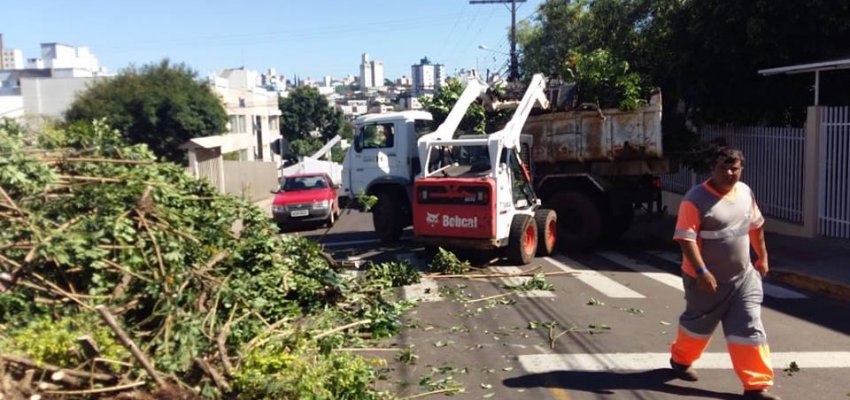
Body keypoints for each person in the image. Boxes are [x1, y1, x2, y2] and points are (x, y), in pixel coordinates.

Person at [669, 147, 780, 400]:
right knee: (698, 326)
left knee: (749, 327)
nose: (730, 173)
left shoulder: (745, 192)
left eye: (735, 168)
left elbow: (756, 226)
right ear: (712, 169)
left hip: (743, 278)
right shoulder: (694, 200)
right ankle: (681, 359)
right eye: (723, 168)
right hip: (706, 280)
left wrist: (762, 256)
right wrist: (702, 272)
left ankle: (756, 385)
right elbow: (685, 240)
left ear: (741, 169)